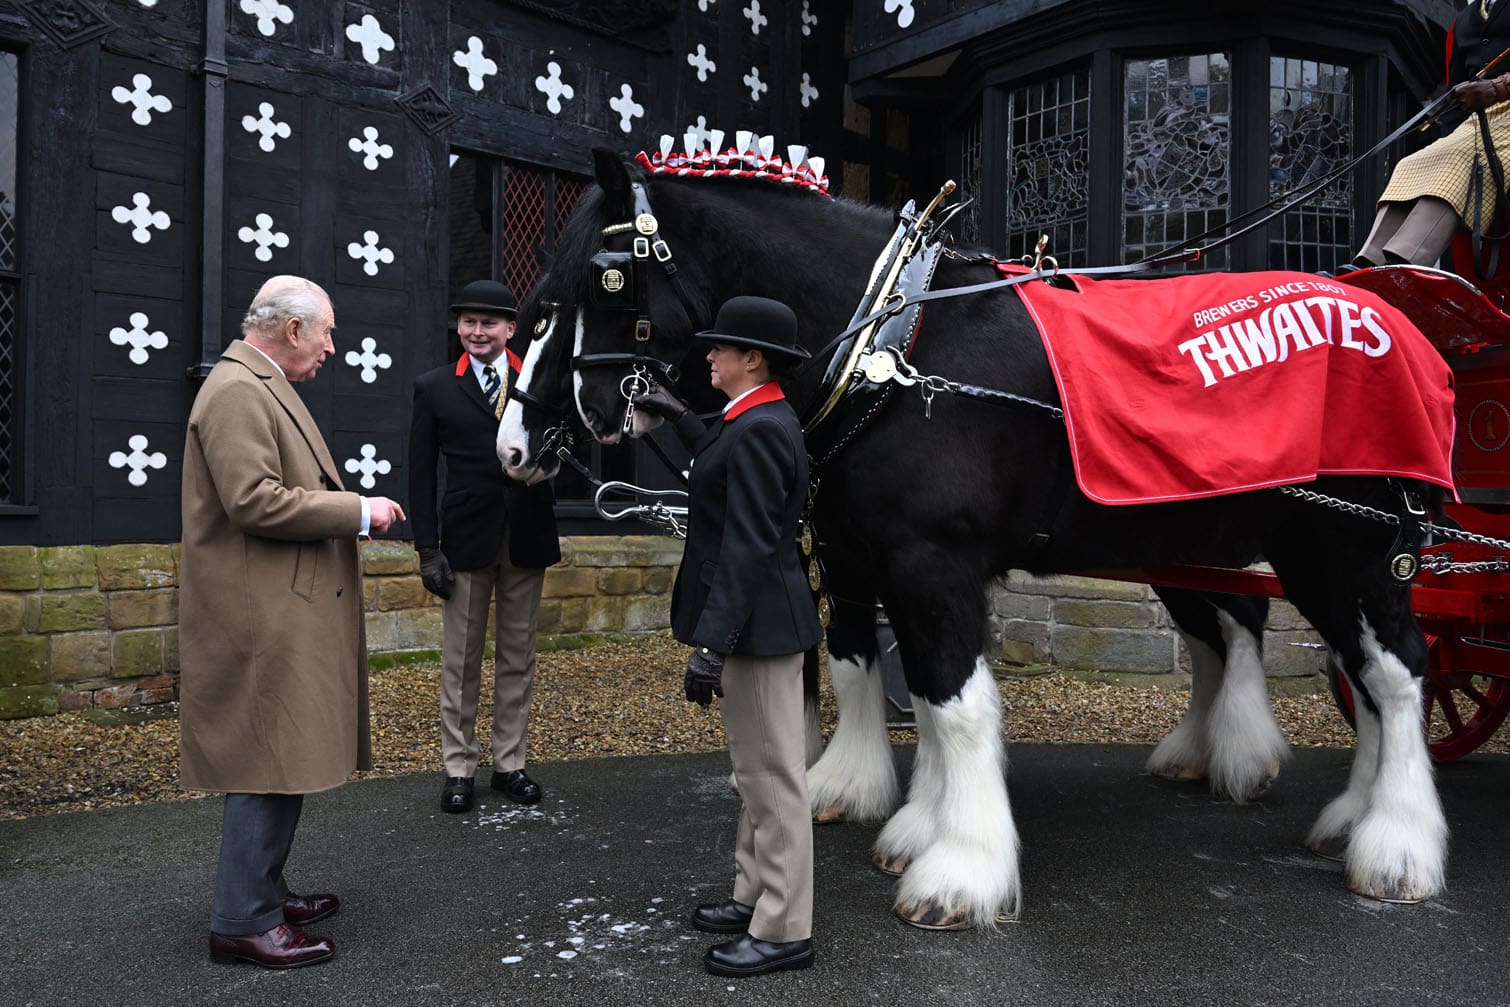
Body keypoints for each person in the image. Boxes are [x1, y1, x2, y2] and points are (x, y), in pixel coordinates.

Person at [179, 275, 406, 969]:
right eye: (327, 332)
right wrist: (358, 511)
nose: (333, 348)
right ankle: (242, 920)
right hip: (259, 612)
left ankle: (265, 890)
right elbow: (254, 500)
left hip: (276, 603)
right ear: (294, 329)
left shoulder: (256, 382)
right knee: (265, 757)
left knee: (283, 751)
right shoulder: (240, 390)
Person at [637, 295, 824, 978]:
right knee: (754, 773)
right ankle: (755, 893)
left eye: (720, 347)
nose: (706, 355)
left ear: (754, 359)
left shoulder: (765, 428)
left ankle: (783, 927)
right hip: (758, 624)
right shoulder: (751, 419)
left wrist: (712, 643)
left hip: (759, 629)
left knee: (773, 778)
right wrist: (677, 415)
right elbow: (719, 452)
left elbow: (747, 547)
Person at [408, 279, 561, 814]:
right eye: (469, 322)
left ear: (510, 330)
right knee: (460, 659)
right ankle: (458, 768)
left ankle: (510, 764)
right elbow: (421, 473)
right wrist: (427, 547)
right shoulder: (433, 387)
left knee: (518, 657)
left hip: (527, 534)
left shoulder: (538, 378)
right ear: (459, 327)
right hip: (465, 540)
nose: (477, 331)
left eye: (489, 323)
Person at [1347, 0, 1510, 271]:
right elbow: (1458, 93)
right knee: (1412, 163)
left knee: (1458, 157)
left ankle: (1407, 261)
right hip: (1476, 121)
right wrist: (1442, 134)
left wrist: (1497, 87)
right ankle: (1370, 262)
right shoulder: (1464, 21)